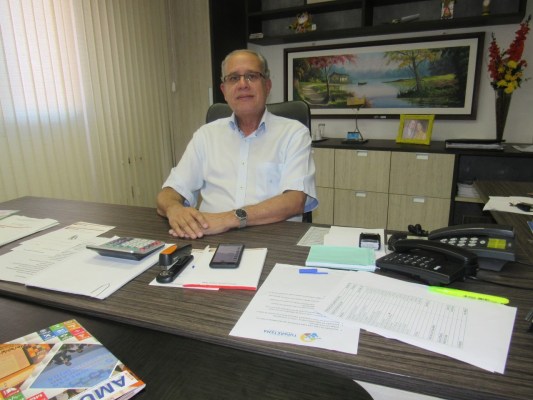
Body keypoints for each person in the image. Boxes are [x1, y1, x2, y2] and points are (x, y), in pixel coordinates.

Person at [157, 49, 318, 239]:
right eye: (233, 78)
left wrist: (227, 220)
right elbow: (169, 192)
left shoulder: (294, 134)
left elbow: (295, 201)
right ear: (224, 90)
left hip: (273, 241)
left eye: (251, 76)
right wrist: (174, 209)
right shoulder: (205, 135)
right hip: (209, 239)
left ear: (267, 86)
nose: (243, 84)